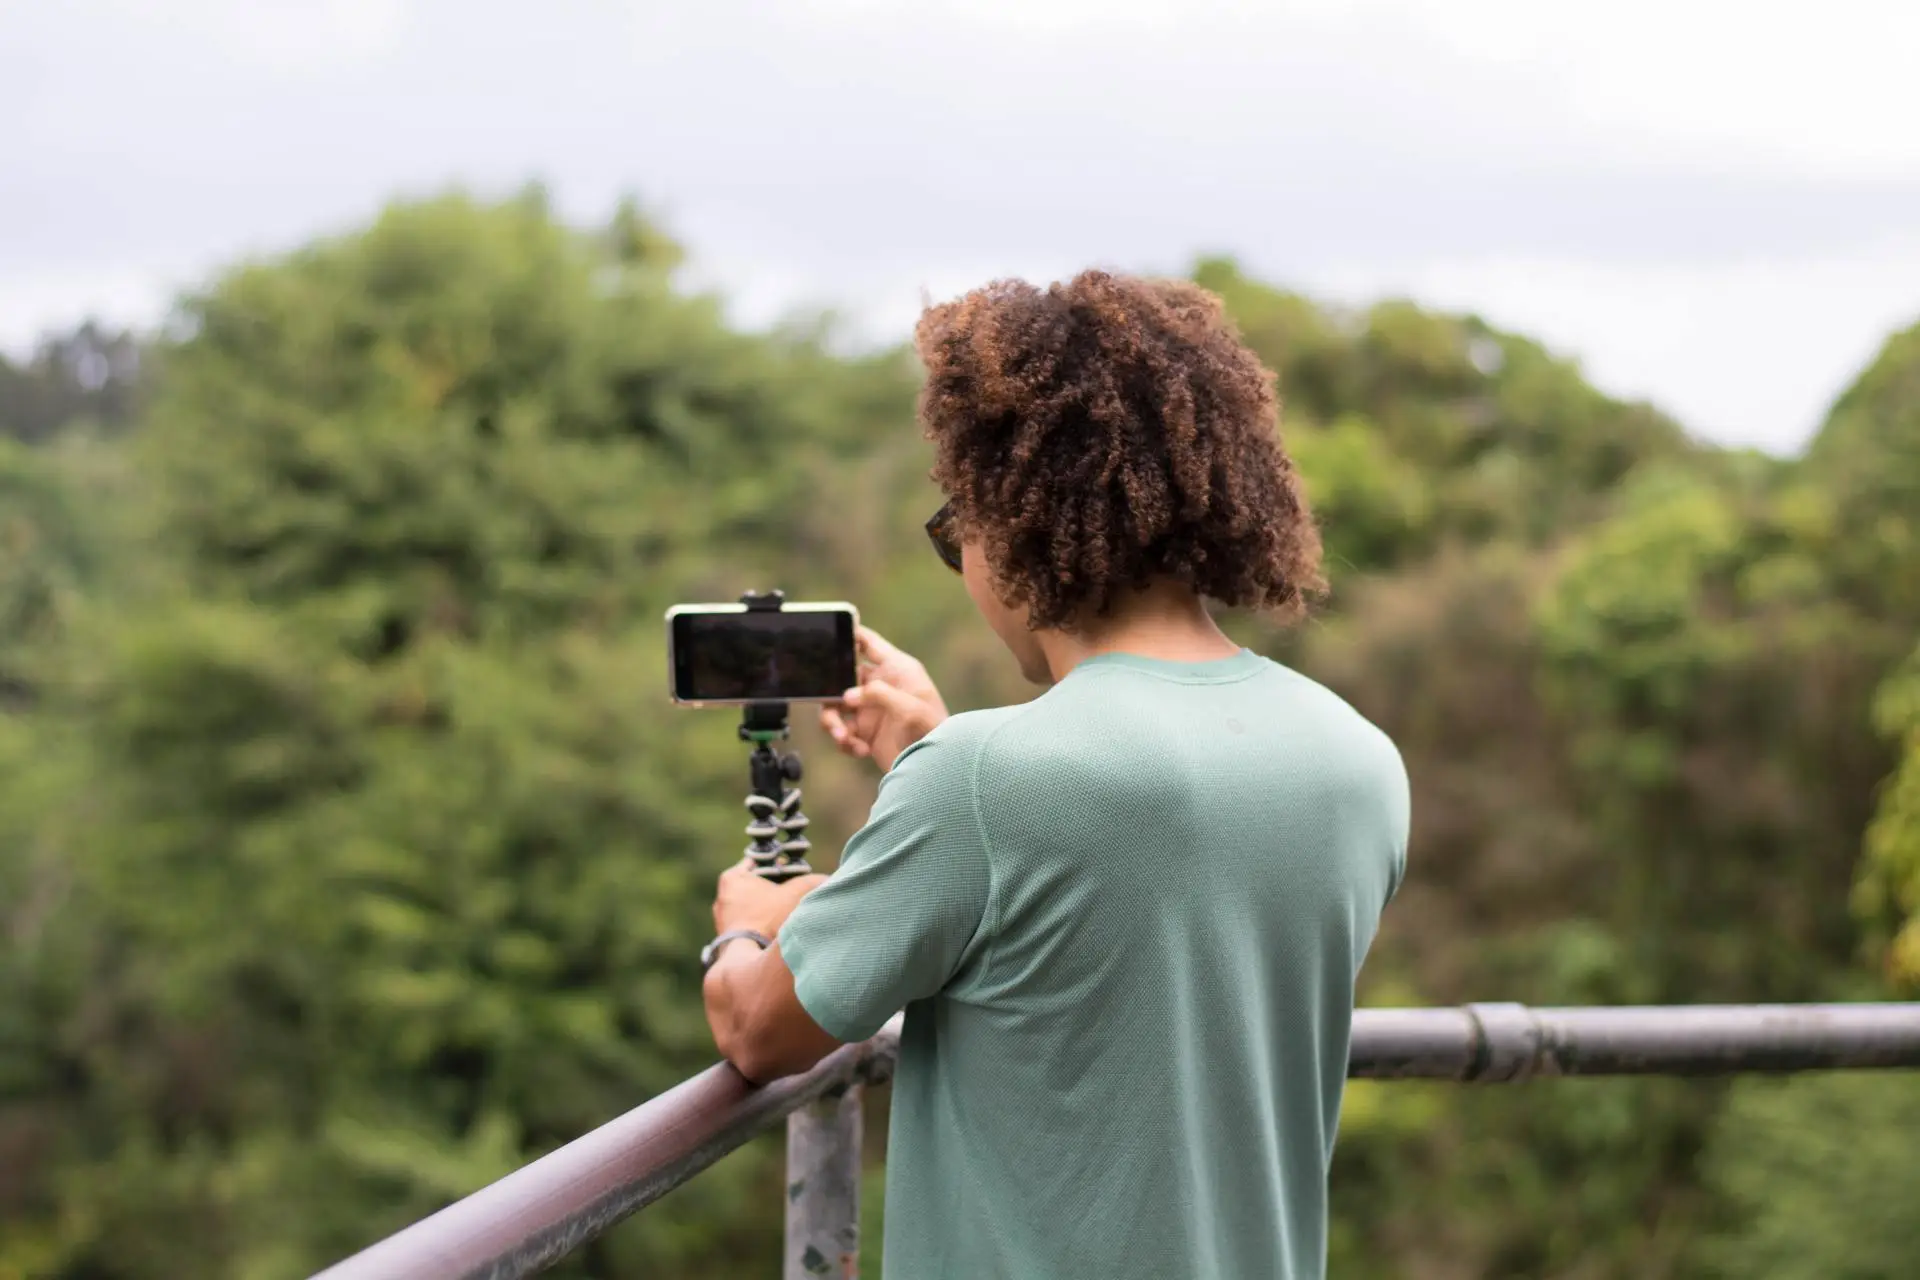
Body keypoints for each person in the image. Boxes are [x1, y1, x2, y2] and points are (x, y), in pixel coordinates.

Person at [701, 270, 1409, 1279]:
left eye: (955, 531)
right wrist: (929, 761)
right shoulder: (1358, 760)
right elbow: (1130, 943)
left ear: (1012, 518)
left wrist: (750, 922)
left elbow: (761, 1028)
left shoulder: (985, 783)